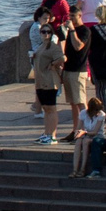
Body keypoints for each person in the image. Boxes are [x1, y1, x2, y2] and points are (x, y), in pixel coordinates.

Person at [30, 15, 69, 144]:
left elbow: (63, 58)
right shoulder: (41, 46)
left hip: (50, 82)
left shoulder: (53, 46)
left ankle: (52, 135)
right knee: (46, 109)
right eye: (43, 32)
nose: (45, 34)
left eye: (48, 32)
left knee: (51, 109)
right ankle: (46, 133)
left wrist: (53, 64)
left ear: (51, 34)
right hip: (40, 81)